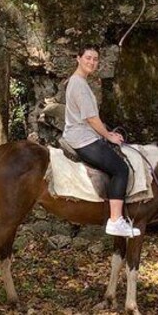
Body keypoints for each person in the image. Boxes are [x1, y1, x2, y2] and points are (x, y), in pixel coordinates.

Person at [61, 45, 140, 238]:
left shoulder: (79, 82)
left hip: (82, 134)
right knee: (121, 169)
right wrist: (109, 135)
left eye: (95, 59)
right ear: (78, 58)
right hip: (82, 139)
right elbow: (91, 119)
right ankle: (115, 220)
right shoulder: (79, 84)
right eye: (88, 58)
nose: (92, 62)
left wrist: (106, 133)